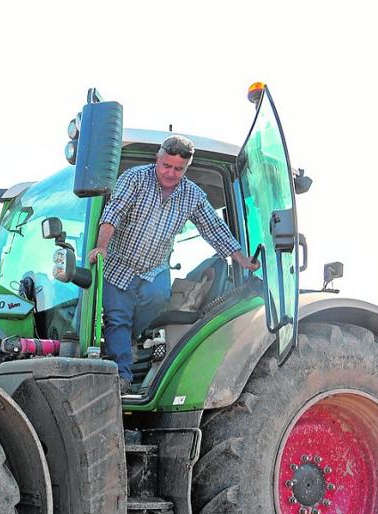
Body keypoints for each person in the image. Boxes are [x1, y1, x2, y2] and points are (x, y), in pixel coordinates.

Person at [87, 135, 260, 396]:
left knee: (157, 298)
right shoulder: (134, 178)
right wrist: (101, 247)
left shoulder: (192, 194)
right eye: (166, 165)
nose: (171, 173)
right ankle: (122, 376)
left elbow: (214, 229)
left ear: (186, 168)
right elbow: (114, 212)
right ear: (158, 159)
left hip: (155, 266)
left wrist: (242, 260)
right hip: (119, 264)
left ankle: (134, 339)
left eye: (178, 168)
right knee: (116, 318)